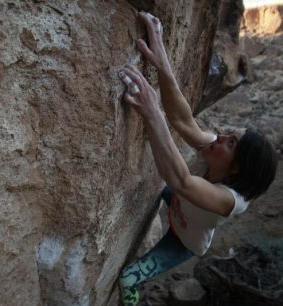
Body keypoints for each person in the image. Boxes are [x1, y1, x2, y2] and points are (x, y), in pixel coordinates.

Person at [117, 12, 278, 306]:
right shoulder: (221, 157)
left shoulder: (228, 201)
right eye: (229, 133)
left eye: (230, 142)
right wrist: (161, 57)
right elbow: (184, 121)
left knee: (128, 279)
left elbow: (180, 180)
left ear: (237, 167)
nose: (218, 137)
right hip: (180, 202)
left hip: (183, 241)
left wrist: (152, 111)